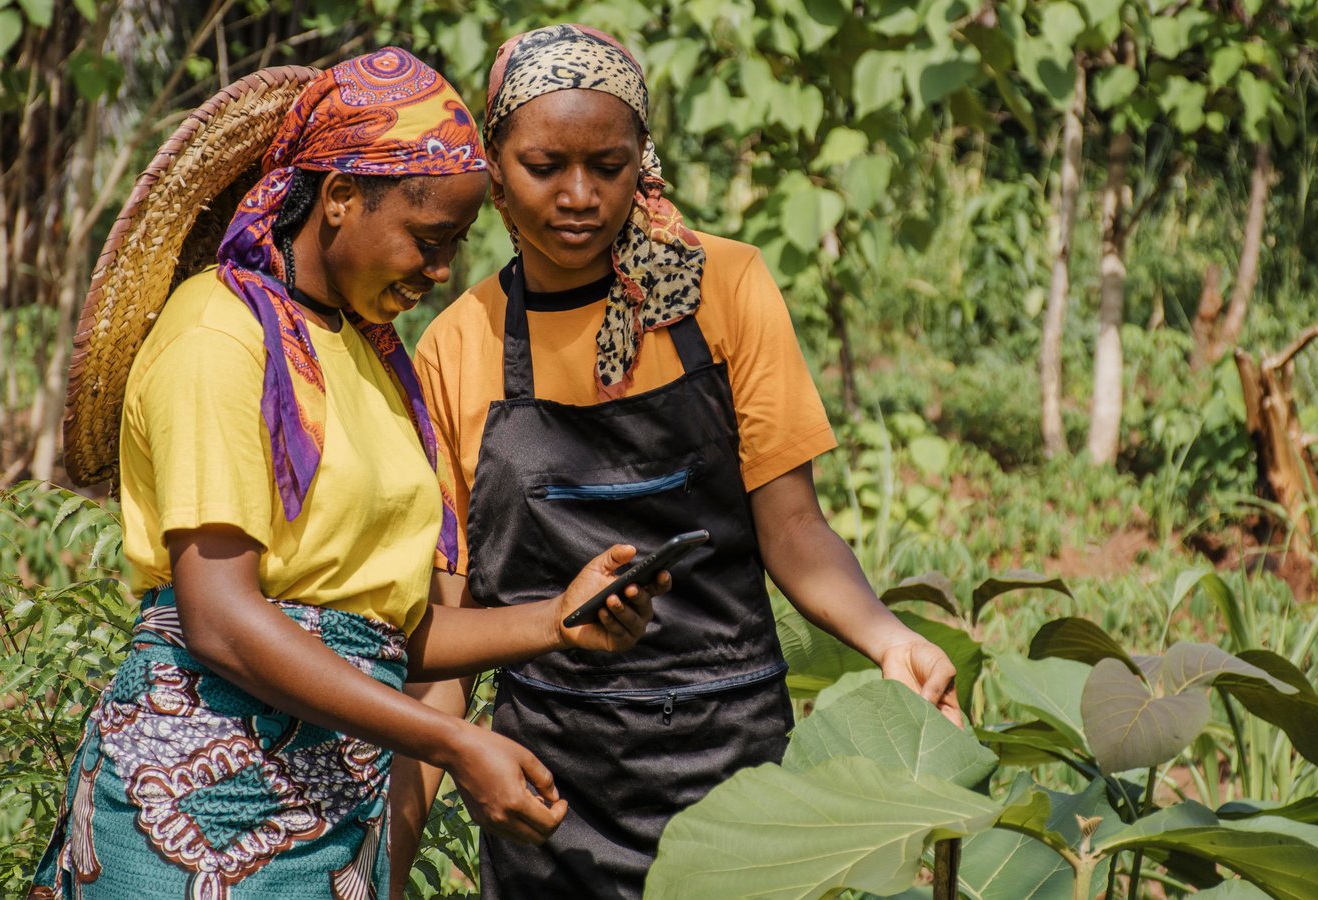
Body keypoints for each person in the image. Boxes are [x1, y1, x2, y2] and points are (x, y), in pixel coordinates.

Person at [30, 47, 664, 899]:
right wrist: (453, 742)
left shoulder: (369, 359)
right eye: (428, 240)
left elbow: (378, 631)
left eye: (455, 247)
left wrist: (557, 620)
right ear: (337, 200)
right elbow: (221, 620)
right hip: (194, 806)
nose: (441, 273)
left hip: (333, 812)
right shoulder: (220, 336)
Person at [410, 24, 965, 898]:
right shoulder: (456, 346)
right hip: (548, 788)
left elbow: (794, 530)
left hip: (735, 773)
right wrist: (398, 843)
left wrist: (890, 641)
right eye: (544, 166)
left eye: (610, 164)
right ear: (494, 166)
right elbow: (457, 620)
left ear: (645, 159)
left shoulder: (724, 292)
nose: (580, 196)